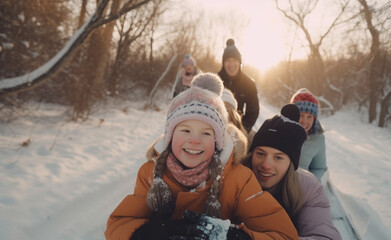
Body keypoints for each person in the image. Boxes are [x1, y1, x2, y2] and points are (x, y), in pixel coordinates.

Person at [105, 73, 299, 240]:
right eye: (186, 130)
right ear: (170, 135)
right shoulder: (151, 173)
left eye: (206, 133)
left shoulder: (239, 179)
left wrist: (235, 236)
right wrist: (147, 233)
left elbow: (284, 234)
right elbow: (117, 226)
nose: (195, 141)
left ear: (217, 141)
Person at [243, 104, 342, 240]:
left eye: (278, 157)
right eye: (260, 154)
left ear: (291, 163)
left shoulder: (308, 188)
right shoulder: (236, 177)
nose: (266, 165)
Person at [218, 39, 259, 133]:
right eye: (228, 60)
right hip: (215, 125)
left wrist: (242, 130)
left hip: (238, 127)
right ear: (223, 63)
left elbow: (253, 112)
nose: (231, 64)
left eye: (234, 60)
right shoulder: (215, 80)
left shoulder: (249, 84)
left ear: (240, 62)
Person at [290, 88, 327, 181]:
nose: (304, 121)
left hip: (300, 187)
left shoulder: (318, 138)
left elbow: (319, 168)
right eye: (301, 115)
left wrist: (309, 183)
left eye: (309, 116)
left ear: (314, 119)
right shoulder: (279, 130)